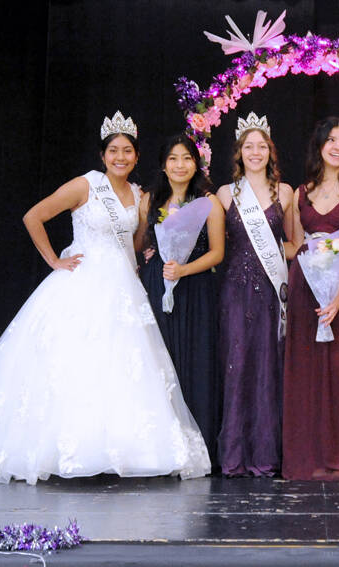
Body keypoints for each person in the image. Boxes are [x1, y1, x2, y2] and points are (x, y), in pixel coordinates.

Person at [0, 112, 211, 484]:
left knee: (121, 368)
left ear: (137, 156)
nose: (120, 157)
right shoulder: (84, 185)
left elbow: (136, 244)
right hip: (81, 285)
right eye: (113, 151)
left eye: (127, 151)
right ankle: (67, 451)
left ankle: (118, 454)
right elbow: (34, 216)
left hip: (123, 292)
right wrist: (54, 260)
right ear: (102, 155)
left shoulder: (139, 196)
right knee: (73, 364)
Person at [282, 117, 339, 481]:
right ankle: (303, 456)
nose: (337, 146)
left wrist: (338, 297)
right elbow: (294, 245)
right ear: (319, 145)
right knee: (303, 371)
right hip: (305, 288)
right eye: (331, 139)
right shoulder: (300, 193)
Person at [137, 133, 225, 467]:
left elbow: (218, 252)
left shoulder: (209, 201)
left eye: (186, 158)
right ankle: (161, 451)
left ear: (196, 163)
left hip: (197, 288)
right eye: (173, 158)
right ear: (163, 164)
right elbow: (137, 244)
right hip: (158, 286)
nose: (180, 165)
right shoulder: (149, 201)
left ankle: (198, 450)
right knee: (161, 361)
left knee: (196, 361)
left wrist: (185, 269)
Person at [216, 112, 294, 476]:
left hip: (271, 293)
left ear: (270, 151)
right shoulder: (224, 194)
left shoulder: (286, 192)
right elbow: (214, 244)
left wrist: (326, 250)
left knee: (268, 367)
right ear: (239, 152)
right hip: (235, 291)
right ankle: (234, 457)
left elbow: (292, 245)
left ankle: (264, 455)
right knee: (238, 367)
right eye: (249, 146)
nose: (256, 152)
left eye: (262, 146)